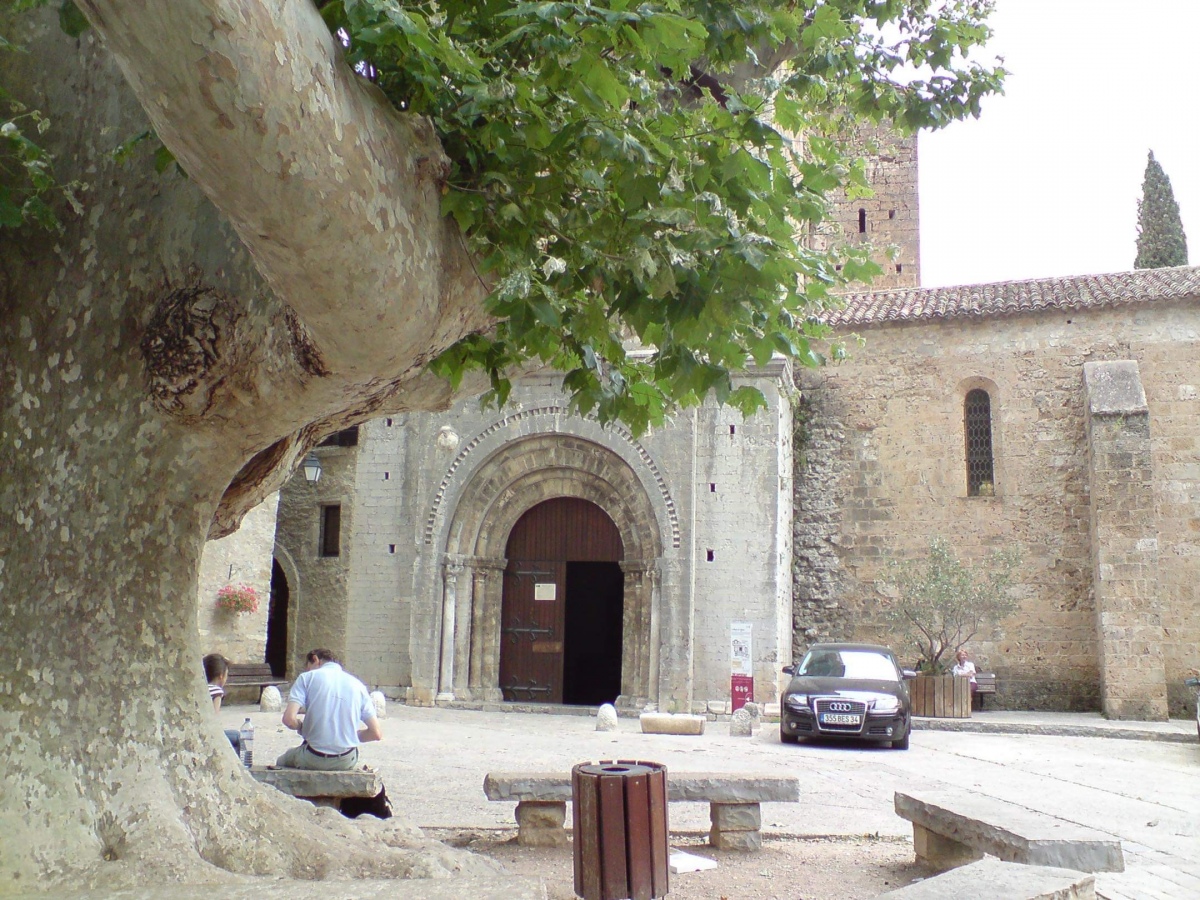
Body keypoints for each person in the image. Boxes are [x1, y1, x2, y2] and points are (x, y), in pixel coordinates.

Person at [277, 648, 382, 771]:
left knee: (282, 760)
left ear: (315, 659)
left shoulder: (306, 678)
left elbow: (289, 719)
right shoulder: (358, 685)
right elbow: (376, 733)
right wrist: (348, 736)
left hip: (313, 757)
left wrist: (301, 727)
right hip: (346, 759)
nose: (308, 670)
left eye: (308, 666)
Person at [203, 653, 242, 754]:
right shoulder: (216, 691)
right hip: (207, 735)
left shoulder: (202, 688)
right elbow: (214, 719)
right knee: (237, 737)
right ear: (221, 676)